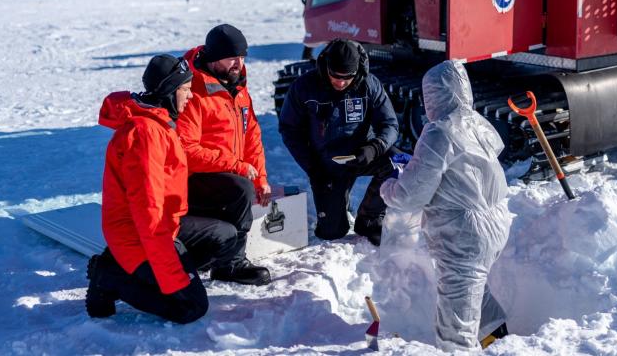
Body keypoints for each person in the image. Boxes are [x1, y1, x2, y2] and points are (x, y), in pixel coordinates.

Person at [86, 54, 241, 323]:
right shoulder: (145, 135)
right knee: (191, 307)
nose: (191, 97)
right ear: (169, 91)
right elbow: (149, 215)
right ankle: (110, 276)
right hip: (138, 235)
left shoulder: (160, 121)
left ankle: (147, 270)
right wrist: (173, 275)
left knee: (226, 238)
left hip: (166, 226)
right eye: (185, 90)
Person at [379, 60, 510, 351]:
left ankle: (458, 349)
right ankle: (497, 340)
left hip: (465, 232)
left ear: (433, 96)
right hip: (496, 220)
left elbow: (411, 195)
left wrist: (389, 188)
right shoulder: (480, 122)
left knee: (456, 321)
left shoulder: (439, 132)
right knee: (473, 288)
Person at [176, 24, 271, 285]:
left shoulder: (238, 88)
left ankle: (217, 252)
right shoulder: (193, 92)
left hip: (222, 175)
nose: (238, 64)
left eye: (242, 58)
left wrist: (260, 178)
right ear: (214, 57)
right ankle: (230, 263)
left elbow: (251, 135)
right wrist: (237, 166)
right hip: (191, 180)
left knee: (242, 186)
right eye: (232, 58)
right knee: (240, 188)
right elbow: (185, 150)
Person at [278, 38, 398, 246]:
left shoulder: (369, 84)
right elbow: (290, 129)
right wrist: (313, 167)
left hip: (362, 154)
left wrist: (374, 148)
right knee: (332, 232)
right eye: (335, 76)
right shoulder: (304, 87)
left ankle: (369, 218)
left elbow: (390, 124)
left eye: (347, 77)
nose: (341, 83)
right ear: (326, 67)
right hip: (327, 165)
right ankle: (338, 208)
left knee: (398, 161)